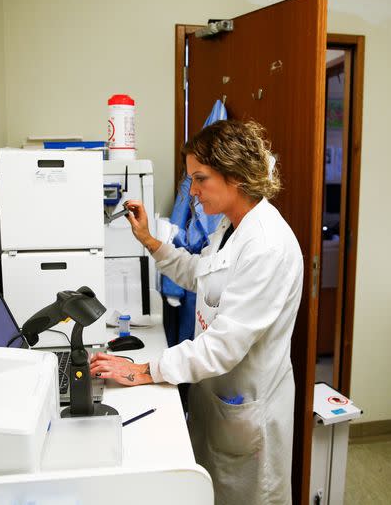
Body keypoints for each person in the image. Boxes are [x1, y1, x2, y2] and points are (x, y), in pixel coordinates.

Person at [90, 119, 304, 505]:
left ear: (235, 175)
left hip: (246, 406)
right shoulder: (230, 227)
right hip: (216, 399)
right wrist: (150, 241)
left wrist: (146, 370)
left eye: (200, 179)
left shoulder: (267, 246)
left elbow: (223, 346)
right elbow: (200, 276)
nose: (192, 192)